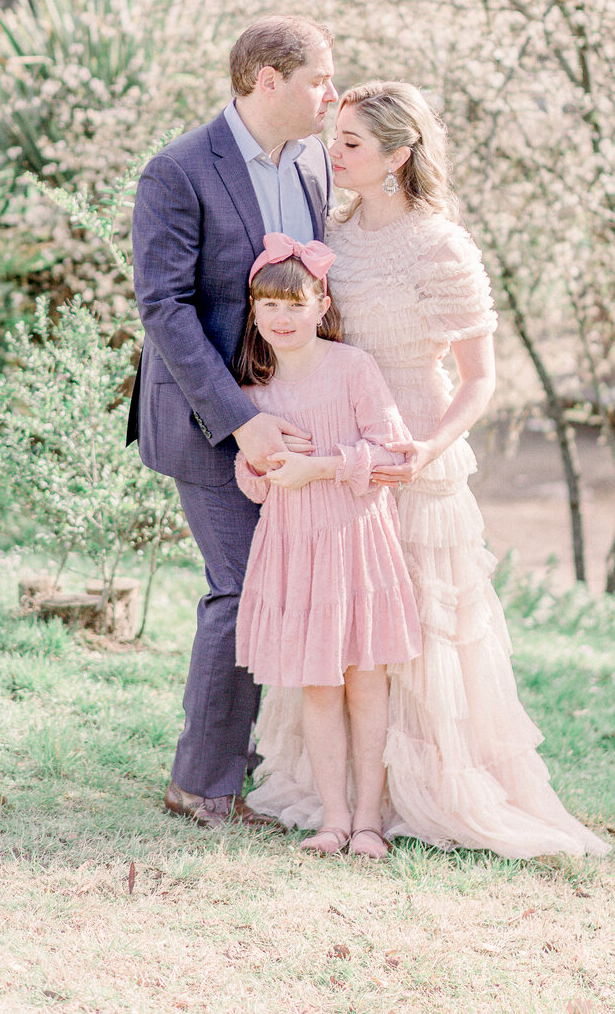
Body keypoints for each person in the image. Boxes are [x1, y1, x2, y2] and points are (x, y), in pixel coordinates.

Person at [248, 81, 609, 859]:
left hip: (411, 458)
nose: (332, 154)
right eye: (333, 139)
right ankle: (339, 801)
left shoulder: (441, 244)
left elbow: (480, 378)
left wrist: (428, 449)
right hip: (333, 460)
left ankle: (418, 794)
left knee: (412, 638)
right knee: (342, 629)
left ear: (397, 157)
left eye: (350, 144)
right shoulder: (327, 235)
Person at [127, 17, 337, 827]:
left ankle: (254, 769)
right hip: (209, 418)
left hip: (292, 419)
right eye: (319, 78)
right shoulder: (178, 171)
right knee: (244, 589)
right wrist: (240, 420)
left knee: (279, 590)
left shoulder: (316, 162)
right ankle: (202, 785)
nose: (330, 93)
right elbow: (165, 310)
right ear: (267, 81)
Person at [232, 236, 421, 858]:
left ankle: (368, 821)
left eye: (295, 304)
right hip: (295, 550)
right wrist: (260, 464)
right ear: (254, 312)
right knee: (318, 685)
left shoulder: (352, 369)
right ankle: (333, 820)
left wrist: (322, 468)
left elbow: (392, 454)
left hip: (355, 541)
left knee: (366, 682)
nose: (281, 318)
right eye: (268, 305)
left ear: (321, 305)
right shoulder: (254, 392)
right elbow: (253, 484)